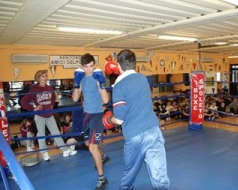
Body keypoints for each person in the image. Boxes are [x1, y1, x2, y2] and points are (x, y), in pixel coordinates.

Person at [106, 49, 169, 190]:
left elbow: (120, 120)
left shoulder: (119, 86)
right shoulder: (143, 78)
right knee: (159, 172)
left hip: (135, 135)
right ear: (135, 63)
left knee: (130, 171)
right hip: (153, 130)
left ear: (118, 65)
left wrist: (109, 119)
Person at [72, 53, 109, 190]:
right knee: (89, 143)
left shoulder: (97, 78)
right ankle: (103, 156)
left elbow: (105, 100)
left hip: (97, 116)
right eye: (86, 67)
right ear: (82, 66)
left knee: (92, 147)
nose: (89, 70)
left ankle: (102, 178)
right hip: (86, 115)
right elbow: (75, 98)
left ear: (94, 65)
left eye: (91, 66)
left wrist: (102, 83)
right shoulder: (81, 79)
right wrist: (76, 84)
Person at [21, 70, 77, 161]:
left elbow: (54, 97)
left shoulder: (49, 88)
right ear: (38, 78)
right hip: (39, 116)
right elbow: (23, 102)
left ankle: (65, 150)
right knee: (42, 135)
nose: (45, 78)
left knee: (56, 133)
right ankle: (45, 153)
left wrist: (51, 104)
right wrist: (33, 108)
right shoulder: (34, 89)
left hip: (49, 114)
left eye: (46, 76)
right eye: (43, 76)